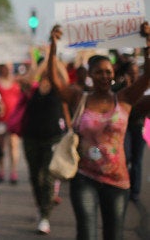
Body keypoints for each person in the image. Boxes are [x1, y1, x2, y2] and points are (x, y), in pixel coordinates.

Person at [48, 25, 150, 240]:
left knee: (114, 235)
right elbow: (56, 82)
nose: (104, 76)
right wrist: (53, 46)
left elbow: (147, 76)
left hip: (117, 179)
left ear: (113, 74)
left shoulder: (124, 98)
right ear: (90, 75)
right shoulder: (79, 98)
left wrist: (148, 42)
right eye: (99, 72)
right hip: (84, 178)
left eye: (108, 72)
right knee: (87, 234)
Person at [21, 37, 70, 234]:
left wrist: (52, 54)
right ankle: (41, 205)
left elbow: (65, 78)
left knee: (48, 178)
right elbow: (30, 79)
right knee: (35, 178)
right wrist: (41, 60)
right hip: (31, 138)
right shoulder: (32, 88)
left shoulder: (59, 89)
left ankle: (45, 216)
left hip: (52, 138)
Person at [0, 63, 22, 184]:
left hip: (14, 120)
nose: (7, 69)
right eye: (5, 67)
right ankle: (1, 170)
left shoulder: (17, 81)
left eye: (9, 67)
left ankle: (13, 172)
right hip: (0, 120)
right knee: (1, 146)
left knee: (13, 145)